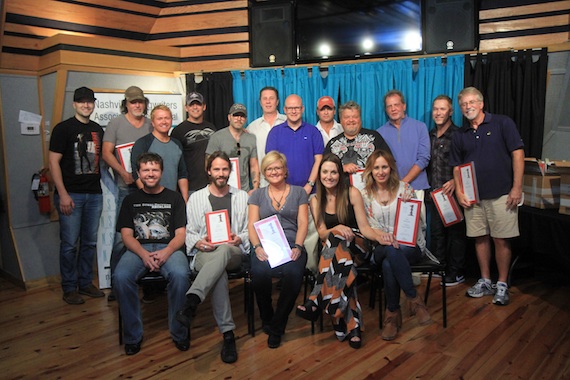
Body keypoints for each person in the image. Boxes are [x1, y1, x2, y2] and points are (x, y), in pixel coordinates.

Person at [296, 154, 384, 349]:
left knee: (337, 246)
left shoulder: (352, 193)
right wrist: (336, 229)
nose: (329, 176)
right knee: (342, 263)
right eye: (325, 172)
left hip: (359, 246)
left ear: (340, 174)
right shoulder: (315, 200)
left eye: (334, 172)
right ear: (319, 175)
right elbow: (322, 233)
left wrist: (381, 237)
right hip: (338, 252)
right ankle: (353, 325)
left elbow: (365, 228)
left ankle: (318, 300)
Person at [450, 87, 524, 306]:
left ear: (481, 104)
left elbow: (518, 154)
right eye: (464, 104)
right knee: (480, 238)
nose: (468, 106)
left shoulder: (503, 123)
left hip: (502, 194)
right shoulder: (459, 135)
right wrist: (460, 191)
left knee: (501, 239)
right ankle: (485, 280)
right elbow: (456, 167)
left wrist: (517, 188)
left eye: (472, 102)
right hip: (473, 199)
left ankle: (501, 284)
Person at [176, 151, 249, 364]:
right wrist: (199, 242)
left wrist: (238, 238)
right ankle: (228, 335)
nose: (221, 173)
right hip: (204, 254)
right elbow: (189, 232)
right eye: (216, 169)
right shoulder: (196, 198)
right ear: (209, 171)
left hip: (233, 252)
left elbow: (248, 230)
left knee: (224, 250)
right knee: (218, 274)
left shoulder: (241, 196)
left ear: (230, 171)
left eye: (225, 169)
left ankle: (192, 300)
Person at [113, 152, 189, 355]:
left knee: (182, 275)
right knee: (120, 277)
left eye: (154, 169)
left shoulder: (175, 198)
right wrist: (144, 255)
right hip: (138, 249)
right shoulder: (130, 200)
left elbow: (181, 234)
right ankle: (132, 336)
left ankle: (179, 332)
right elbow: (127, 236)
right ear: (139, 173)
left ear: (161, 172)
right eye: (146, 170)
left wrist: (166, 252)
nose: (150, 173)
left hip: (169, 248)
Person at [361, 149, 432, 341]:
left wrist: (411, 203)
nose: (381, 171)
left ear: (391, 168)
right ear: (370, 170)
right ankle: (414, 299)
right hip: (380, 246)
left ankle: (392, 314)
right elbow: (367, 227)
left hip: (409, 245)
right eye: (376, 168)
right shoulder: (365, 195)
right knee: (390, 250)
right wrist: (384, 237)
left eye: (384, 167)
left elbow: (416, 220)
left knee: (389, 261)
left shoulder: (404, 189)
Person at [49, 86, 106, 305]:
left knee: (89, 242)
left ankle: (85, 282)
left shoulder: (97, 129)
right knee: (70, 244)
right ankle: (69, 287)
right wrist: (62, 194)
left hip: (94, 194)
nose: (86, 105)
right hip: (70, 194)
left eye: (90, 101)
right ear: (74, 104)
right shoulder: (62, 129)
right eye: (82, 101)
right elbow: (53, 162)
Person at [248, 151, 309, 349]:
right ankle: (267, 317)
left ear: (285, 170)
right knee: (259, 272)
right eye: (269, 168)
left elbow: (302, 222)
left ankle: (277, 325)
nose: (274, 171)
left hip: (292, 245)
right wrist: (257, 247)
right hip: (265, 246)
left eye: (278, 167)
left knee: (293, 273)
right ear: (264, 173)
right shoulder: (257, 194)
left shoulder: (299, 192)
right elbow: (251, 224)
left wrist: (298, 247)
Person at [102, 86, 153, 301]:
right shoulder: (116, 123)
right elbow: (106, 153)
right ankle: (116, 284)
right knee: (121, 238)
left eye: (140, 101)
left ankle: (151, 285)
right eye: (133, 102)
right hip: (126, 187)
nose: (137, 105)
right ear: (126, 104)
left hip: (148, 186)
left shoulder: (150, 124)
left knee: (150, 233)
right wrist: (123, 172)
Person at [427, 95, 466, 286]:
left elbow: (467, 163)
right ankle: (439, 267)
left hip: (452, 194)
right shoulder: (430, 135)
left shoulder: (459, 135)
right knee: (437, 233)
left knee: (455, 235)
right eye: (435, 109)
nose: (438, 112)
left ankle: (455, 272)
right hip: (435, 194)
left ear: (451, 112)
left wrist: (455, 181)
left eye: (442, 109)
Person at [266, 94, 324, 195]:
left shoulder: (313, 131)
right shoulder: (275, 132)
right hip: (282, 192)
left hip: (311, 191)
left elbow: (319, 160)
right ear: (285, 109)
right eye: (290, 108)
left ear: (302, 109)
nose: (293, 111)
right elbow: (271, 163)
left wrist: (310, 185)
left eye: (297, 108)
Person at [130, 105, 188, 203]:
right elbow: (136, 174)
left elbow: (182, 174)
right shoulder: (143, 143)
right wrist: (146, 197)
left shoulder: (177, 144)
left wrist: (185, 200)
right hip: (150, 200)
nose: (164, 122)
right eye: (160, 118)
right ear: (153, 122)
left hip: (172, 199)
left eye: (167, 118)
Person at [325, 100, 392, 185]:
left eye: (355, 116)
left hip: (372, 191)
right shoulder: (332, 144)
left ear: (360, 119)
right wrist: (341, 168)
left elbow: (389, 162)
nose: (351, 120)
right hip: (341, 193)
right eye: (347, 117)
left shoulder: (374, 137)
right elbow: (324, 170)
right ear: (341, 121)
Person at [377, 90, 430, 193]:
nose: (393, 109)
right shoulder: (379, 133)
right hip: (390, 189)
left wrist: (403, 182)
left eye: (396, 105)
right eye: (389, 106)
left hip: (417, 188)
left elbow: (424, 158)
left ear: (404, 106)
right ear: (386, 110)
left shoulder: (420, 127)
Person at [206, 103, 260, 194]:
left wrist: (255, 187)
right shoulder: (217, 137)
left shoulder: (251, 138)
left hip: (244, 190)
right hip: (222, 189)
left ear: (246, 119)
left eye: (242, 116)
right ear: (229, 117)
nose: (239, 119)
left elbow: (254, 165)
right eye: (236, 115)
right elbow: (208, 164)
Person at [171, 92, 217, 194]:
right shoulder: (178, 131)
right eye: (191, 104)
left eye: (198, 104)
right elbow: (175, 162)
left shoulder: (212, 128)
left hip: (212, 184)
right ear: (186, 108)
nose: (195, 107)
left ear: (204, 107)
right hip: (191, 187)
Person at [246, 86, 287, 187]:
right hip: (262, 183)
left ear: (277, 102)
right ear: (260, 102)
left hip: (287, 180)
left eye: (271, 98)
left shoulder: (288, 122)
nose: (268, 102)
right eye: (265, 98)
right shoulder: (252, 128)